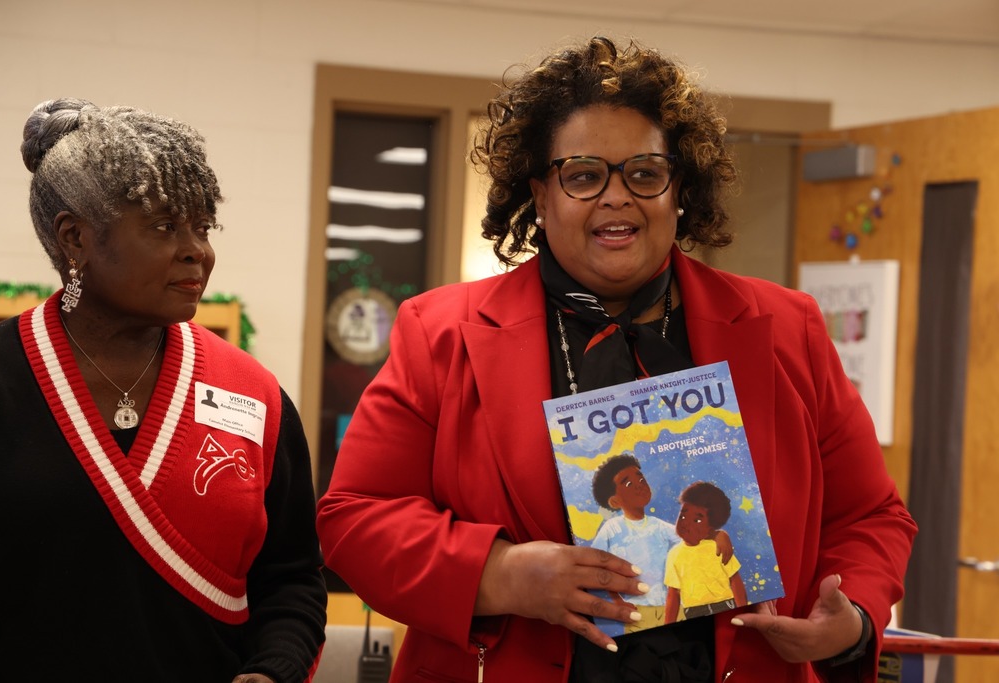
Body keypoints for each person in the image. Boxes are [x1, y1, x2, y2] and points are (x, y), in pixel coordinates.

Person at [317, 36, 916, 683]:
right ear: (540, 194)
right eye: (582, 175)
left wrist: (852, 615)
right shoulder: (440, 333)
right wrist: (500, 574)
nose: (616, 196)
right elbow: (354, 516)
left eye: (644, 172)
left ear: (677, 188)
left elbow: (871, 514)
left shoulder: (786, 330)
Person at [0, 98, 327, 682]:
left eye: (202, 227)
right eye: (165, 226)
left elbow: (292, 578)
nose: (198, 251)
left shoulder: (254, 394)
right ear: (75, 240)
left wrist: (273, 671)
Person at [591, 454, 732, 634]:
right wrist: (618, 602)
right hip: (638, 610)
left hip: (673, 606)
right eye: (628, 483)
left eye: (640, 478)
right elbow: (596, 566)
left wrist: (719, 534)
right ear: (615, 501)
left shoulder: (658, 526)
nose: (640, 484)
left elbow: (692, 537)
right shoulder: (611, 529)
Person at [664, 481, 747, 624]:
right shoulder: (674, 554)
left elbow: (735, 581)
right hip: (693, 611)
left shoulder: (719, 546)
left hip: (724, 605)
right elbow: (673, 594)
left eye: (697, 520)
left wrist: (743, 613)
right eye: (683, 516)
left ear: (711, 527)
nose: (686, 523)